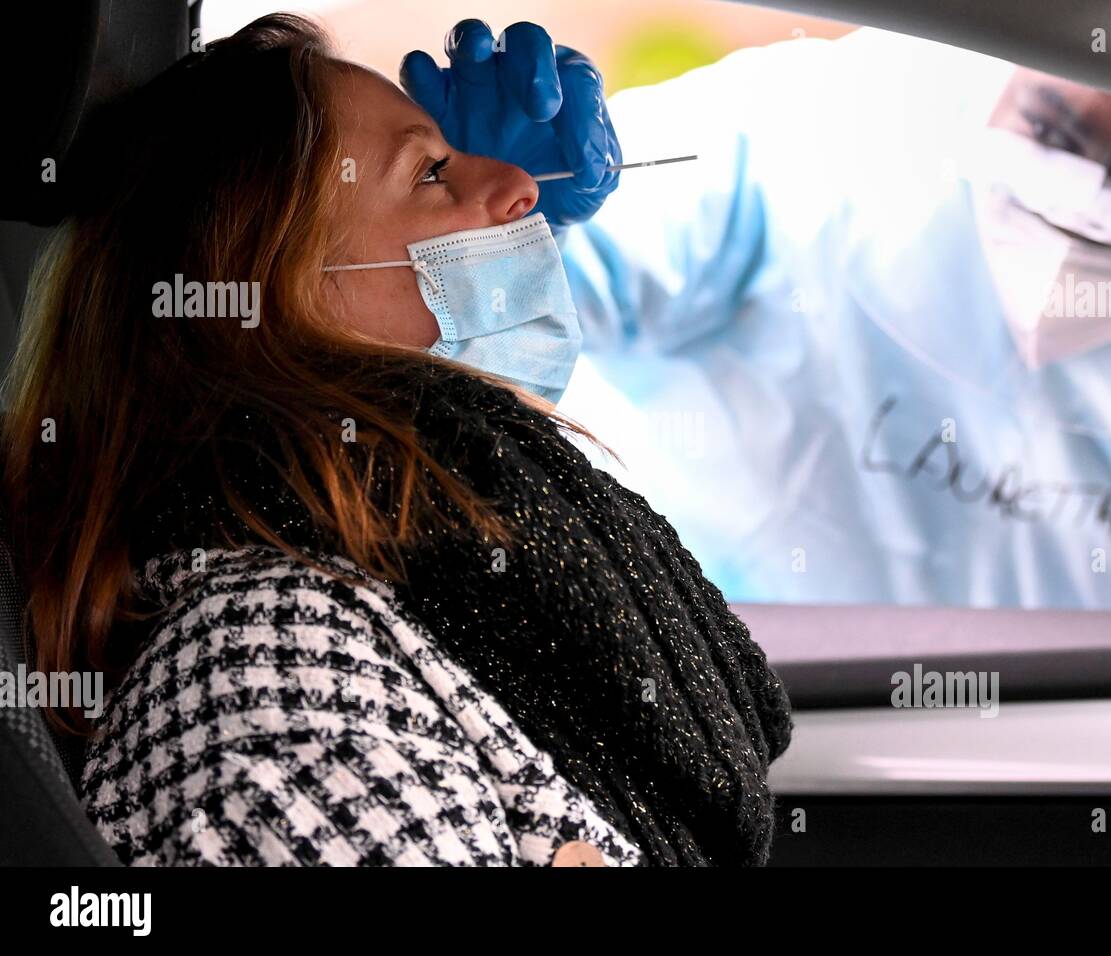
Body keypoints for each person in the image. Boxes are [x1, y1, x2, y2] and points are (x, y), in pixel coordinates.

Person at [1, 14, 791, 867]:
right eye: (433, 171)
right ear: (274, 315)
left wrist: (464, 220)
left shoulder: (421, 598)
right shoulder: (276, 700)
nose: (523, 187)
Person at [402, 21, 1111, 611]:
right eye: (1055, 133)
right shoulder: (817, 132)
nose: (1088, 201)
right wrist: (489, 225)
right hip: (669, 682)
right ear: (1003, 76)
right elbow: (453, 352)